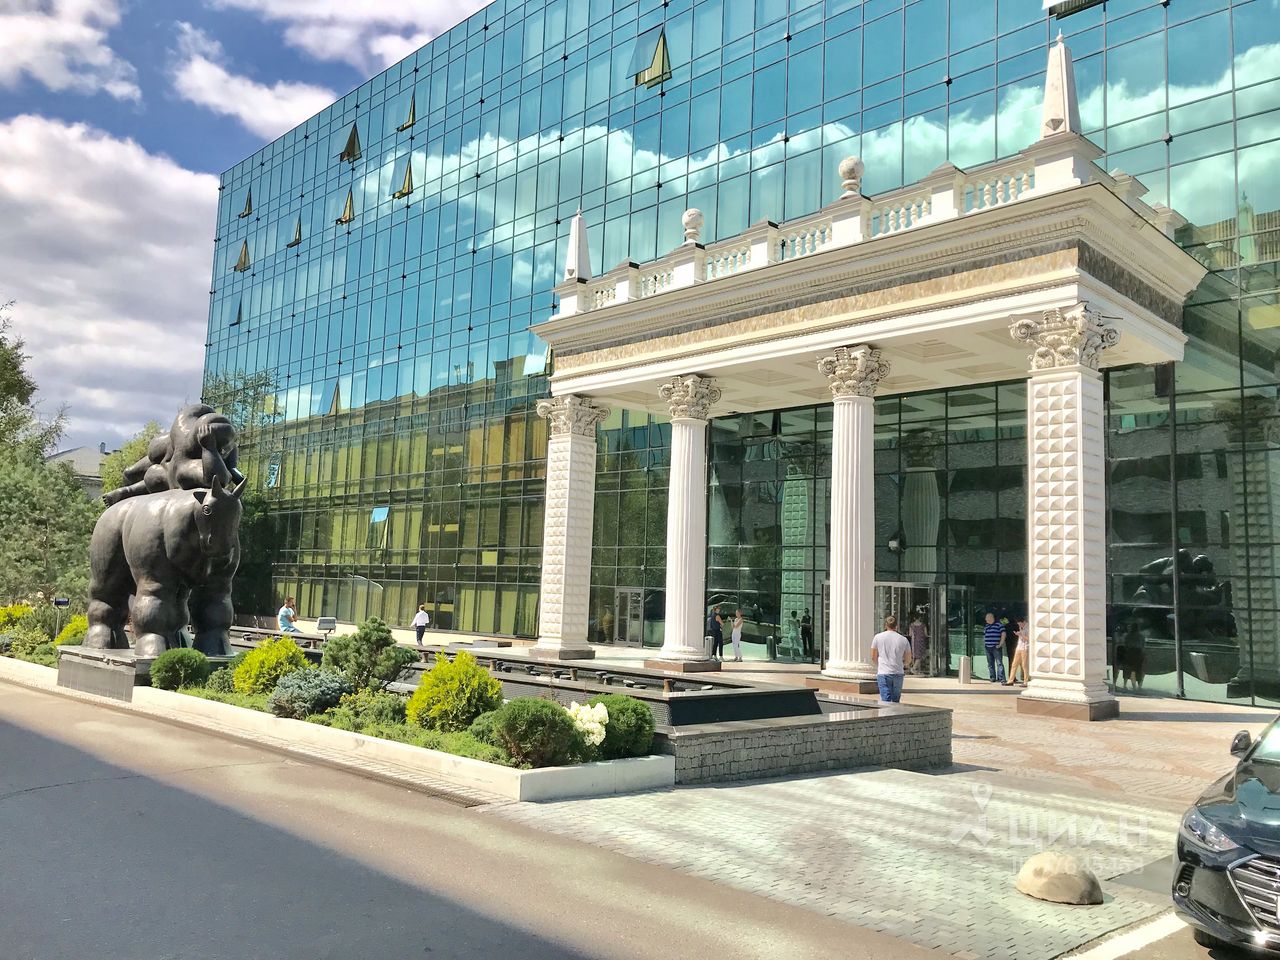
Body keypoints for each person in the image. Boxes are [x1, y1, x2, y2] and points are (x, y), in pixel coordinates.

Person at [870, 615, 912, 703]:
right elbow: (908, 658)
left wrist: (879, 665)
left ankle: (886, 712)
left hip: (883, 672)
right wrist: (904, 665)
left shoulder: (877, 637)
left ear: (886, 625)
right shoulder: (903, 639)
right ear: (896, 626)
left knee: (885, 700)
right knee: (896, 701)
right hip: (898, 672)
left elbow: (873, 656)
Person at [1004, 616, 1030, 687]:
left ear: (1024, 622)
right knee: (1014, 664)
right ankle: (1011, 680)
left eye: (1020, 624)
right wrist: (1019, 634)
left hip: (1025, 647)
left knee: (1024, 665)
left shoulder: (1028, 628)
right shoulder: (1021, 627)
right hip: (1019, 647)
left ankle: (1026, 681)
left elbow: (1028, 638)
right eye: (1018, 624)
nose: (1019, 625)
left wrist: (1021, 634)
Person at [982, 612, 1006, 683]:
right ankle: (992, 677)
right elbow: (984, 635)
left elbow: (1003, 634)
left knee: (999, 663)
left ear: (991, 618)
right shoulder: (987, 626)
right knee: (990, 664)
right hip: (988, 647)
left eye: (987, 618)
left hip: (996, 647)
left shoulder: (999, 625)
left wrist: (1000, 644)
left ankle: (1001, 678)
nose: (985, 619)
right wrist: (985, 643)